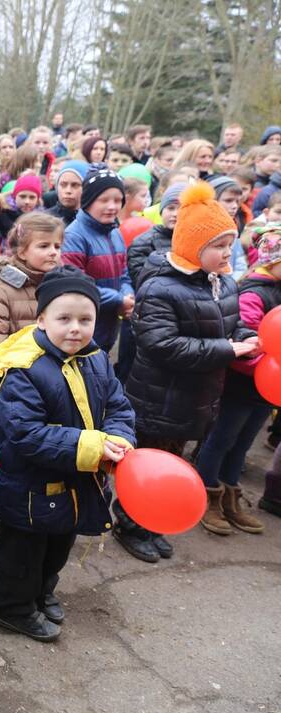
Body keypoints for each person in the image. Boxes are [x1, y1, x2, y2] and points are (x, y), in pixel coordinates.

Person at [0, 266, 135, 642]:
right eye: (64, 318)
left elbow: (117, 404)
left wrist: (118, 436)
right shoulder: (25, 369)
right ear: (41, 319)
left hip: (75, 482)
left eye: (85, 319)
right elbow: (24, 434)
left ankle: (41, 593)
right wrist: (90, 446)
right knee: (22, 556)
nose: (75, 328)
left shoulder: (96, 358)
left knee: (57, 548)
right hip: (31, 489)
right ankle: (15, 609)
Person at [120, 182, 259, 563]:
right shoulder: (161, 287)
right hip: (159, 395)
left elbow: (230, 326)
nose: (226, 253)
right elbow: (162, 344)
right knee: (149, 463)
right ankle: (130, 522)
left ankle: (151, 522)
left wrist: (249, 337)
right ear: (192, 247)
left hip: (196, 397)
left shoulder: (223, 282)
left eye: (229, 244)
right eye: (217, 246)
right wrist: (227, 349)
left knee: (175, 463)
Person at [0, 212, 64, 544]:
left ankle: (3, 503)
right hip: (5, 391)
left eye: (57, 245)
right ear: (21, 250)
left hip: (47, 392)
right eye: (44, 245)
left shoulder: (59, 286)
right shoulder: (3, 287)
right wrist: (29, 359)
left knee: (24, 455)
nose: (53, 252)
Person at [195, 224, 280, 534]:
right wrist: (262, 365)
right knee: (221, 440)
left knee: (243, 444)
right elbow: (248, 341)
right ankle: (207, 496)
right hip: (243, 384)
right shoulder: (254, 293)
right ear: (272, 260)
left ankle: (231, 494)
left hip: (268, 390)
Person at [61, 166, 133, 353]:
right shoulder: (74, 236)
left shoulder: (115, 232)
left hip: (109, 325)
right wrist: (119, 300)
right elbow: (75, 284)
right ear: (88, 201)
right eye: (104, 200)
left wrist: (128, 294)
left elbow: (123, 273)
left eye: (118, 200)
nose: (112, 206)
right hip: (83, 329)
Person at [128, 183, 184, 289]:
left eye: (182, 209)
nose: (175, 214)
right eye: (170, 208)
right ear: (161, 212)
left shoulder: (196, 241)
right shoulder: (143, 242)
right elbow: (141, 279)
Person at [44, 161, 88, 226]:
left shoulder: (94, 219)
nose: (68, 191)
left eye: (75, 185)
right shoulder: (45, 220)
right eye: (63, 185)